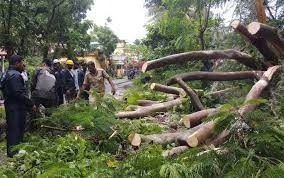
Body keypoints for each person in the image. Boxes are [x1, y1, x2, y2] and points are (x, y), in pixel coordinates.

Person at [0, 55, 34, 157]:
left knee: (12, 129)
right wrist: (30, 104)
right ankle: (14, 154)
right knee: (16, 130)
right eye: (22, 63)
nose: (23, 65)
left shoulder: (6, 74)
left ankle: (13, 152)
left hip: (10, 105)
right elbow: (18, 93)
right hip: (16, 107)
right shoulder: (15, 76)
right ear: (17, 63)